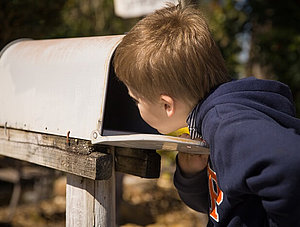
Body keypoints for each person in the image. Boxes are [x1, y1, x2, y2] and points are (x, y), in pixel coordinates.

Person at [113, 3, 300, 226]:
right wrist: (191, 175)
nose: (135, 106)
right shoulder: (210, 122)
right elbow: (219, 204)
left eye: (136, 100)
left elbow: (290, 167)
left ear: (166, 105)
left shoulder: (225, 123)